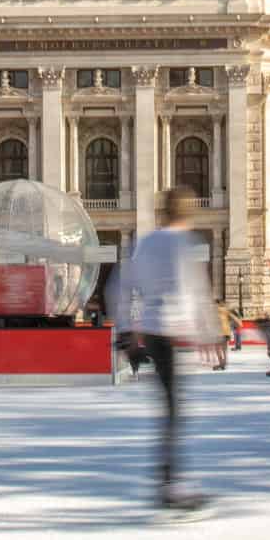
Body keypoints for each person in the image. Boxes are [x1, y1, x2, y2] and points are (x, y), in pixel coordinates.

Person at [105, 187, 218, 514]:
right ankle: (170, 484)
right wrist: (209, 331)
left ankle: (169, 481)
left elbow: (120, 287)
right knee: (173, 412)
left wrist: (128, 328)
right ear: (187, 213)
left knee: (170, 408)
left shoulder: (147, 242)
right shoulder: (185, 243)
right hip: (171, 331)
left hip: (152, 331)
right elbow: (197, 290)